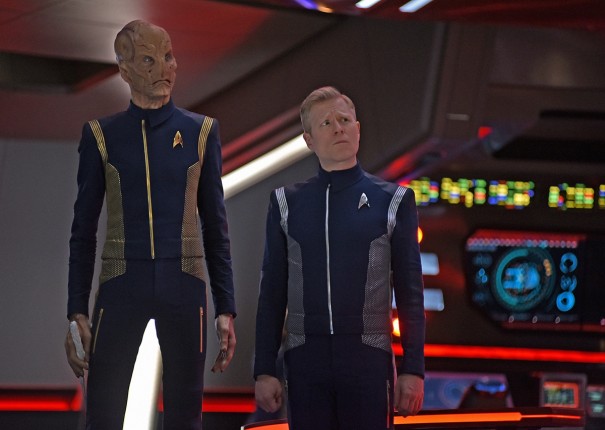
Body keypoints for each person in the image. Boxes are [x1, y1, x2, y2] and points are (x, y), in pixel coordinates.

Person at [63, 20, 236, 430]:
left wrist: (226, 307)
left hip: (185, 281)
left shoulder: (201, 132)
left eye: (169, 56)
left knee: (185, 416)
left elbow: (216, 226)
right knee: (103, 414)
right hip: (121, 280)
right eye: (148, 60)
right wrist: (76, 310)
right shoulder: (101, 135)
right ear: (124, 70)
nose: (164, 68)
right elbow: (83, 230)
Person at [254, 86, 425, 429]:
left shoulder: (393, 201)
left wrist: (413, 369)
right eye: (326, 123)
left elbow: (410, 292)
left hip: (368, 358)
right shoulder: (286, 204)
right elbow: (272, 292)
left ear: (358, 129)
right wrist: (264, 369)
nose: (338, 129)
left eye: (345, 120)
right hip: (305, 359)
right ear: (309, 140)